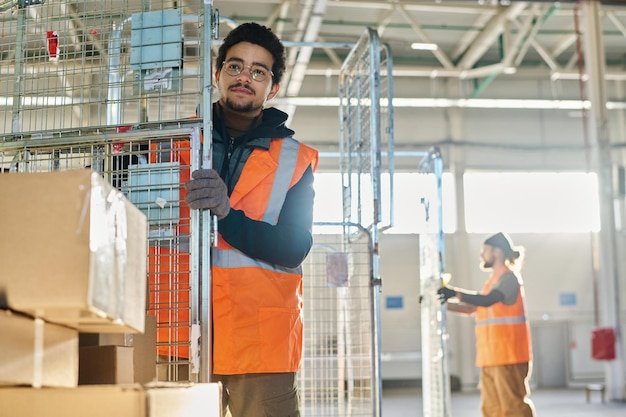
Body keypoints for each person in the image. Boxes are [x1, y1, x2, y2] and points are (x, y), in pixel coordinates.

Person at [185, 22, 318, 417]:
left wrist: (226, 215)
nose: (245, 77)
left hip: (260, 342)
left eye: (259, 71)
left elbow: (294, 246)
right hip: (180, 330)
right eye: (235, 66)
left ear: (272, 88)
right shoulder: (176, 140)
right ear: (217, 74)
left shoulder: (295, 159)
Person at [438, 232, 535, 417]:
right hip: (490, 356)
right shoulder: (493, 281)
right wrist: (439, 304)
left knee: (513, 407)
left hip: (509, 355)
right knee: (491, 409)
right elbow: (471, 307)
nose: (481, 254)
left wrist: (455, 292)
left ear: (497, 252)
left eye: (485, 250)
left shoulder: (509, 279)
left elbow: (488, 300)